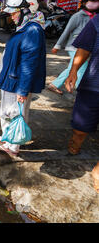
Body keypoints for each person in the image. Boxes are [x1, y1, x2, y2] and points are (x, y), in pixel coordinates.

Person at [0, 0, 46, 156]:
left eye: (14, 13)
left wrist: (23, 90)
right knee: (7, 111)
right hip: (11, 78)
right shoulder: (25, 27)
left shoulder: (33, 30)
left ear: (28, 10)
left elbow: (29, 63)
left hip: (18, 82)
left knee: (15, 112)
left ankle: (12, 145)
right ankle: (8, 136)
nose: (12, 17)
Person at [64, 14, 99, 193]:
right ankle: (75, 145)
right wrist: (73, 71)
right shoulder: (97, 21)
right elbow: (84, 48)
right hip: (94, 84)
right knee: (80, 127)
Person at [47, 0, 99, 95]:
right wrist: (57, 46)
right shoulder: (77, 16)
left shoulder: (94, 16)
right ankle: (82, 91)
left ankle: (54, 85)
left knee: (73, 68)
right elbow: (66, 31)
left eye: (96, 1)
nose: (95, 3)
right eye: (92, 1)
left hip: (86, 47)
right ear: (84, 3)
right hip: (74, 47)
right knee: (80, 68)